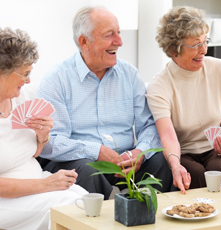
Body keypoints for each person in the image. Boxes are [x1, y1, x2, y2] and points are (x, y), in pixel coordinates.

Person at [37, 6, 172, 200]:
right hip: (80, 161)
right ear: (84, 42)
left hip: (125, 161)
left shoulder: (130, 75)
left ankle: (151, 220)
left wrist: (139, 152)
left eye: (118, 33)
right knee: (84, 169)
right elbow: (50, 142)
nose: (119, 42)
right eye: (110, 35)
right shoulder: (56, 80)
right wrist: (96, 151)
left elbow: (150, 125)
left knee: (161, 160)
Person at [0, 27, 88, 230]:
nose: (29, 80)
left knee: (84, 198)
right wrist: (45, 186)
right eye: (25, 73)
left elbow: (31, 153)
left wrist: (42, 136)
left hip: (35, 182)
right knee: (69, 208)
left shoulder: (22, 97)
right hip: (7, 199)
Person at [146, 6, 221, 194]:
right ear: (174, 49)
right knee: (194, 173)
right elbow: (168, 136)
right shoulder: (159, 86)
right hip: (184, 152)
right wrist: (174, 164)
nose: (204, 50)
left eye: (205, 42)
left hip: (216, 150)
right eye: (195, 44)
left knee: (218, 171)